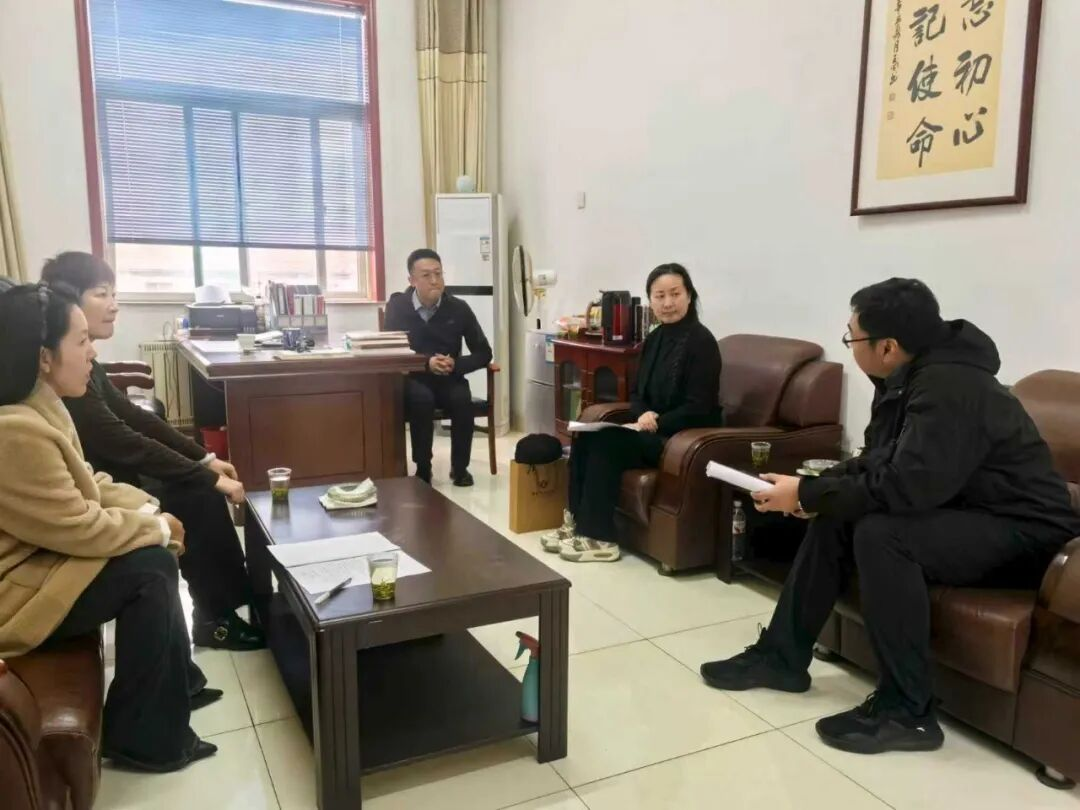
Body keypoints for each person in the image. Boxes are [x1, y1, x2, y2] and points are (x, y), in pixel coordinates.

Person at [700, 278, 1080, 755]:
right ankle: (781, 658)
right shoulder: (908, 378)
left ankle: (908, 712)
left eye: (852, 336)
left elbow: (907, 486)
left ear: (887, 347)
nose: (850, 344)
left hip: (1030, 534)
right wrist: (810, 491)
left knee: (882, 534)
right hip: (970, 512)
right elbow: (880, 460)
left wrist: (813, 492)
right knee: (838, 516)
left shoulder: (950, 386)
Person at [0, 283, 219, 771]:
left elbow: (87, 485)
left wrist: (149, 510)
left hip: (41, 560)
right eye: (81, 342)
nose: (93, 353)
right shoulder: (15, 430)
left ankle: (170, 695)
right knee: (149, 568)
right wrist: (157, 528)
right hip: (15, 595)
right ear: (43, 357)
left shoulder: (40, 406)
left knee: (152, 556)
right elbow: (80, 526)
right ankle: (144, 736)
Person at [41, 252, 263, 651]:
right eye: (101, 294)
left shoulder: (85, 358)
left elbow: (132, 416)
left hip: (108, 472)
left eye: (114, 293)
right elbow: (120, 439)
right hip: (99, 485)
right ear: (68, 300)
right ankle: (216, 619)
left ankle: (231, 606)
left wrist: (204, 458)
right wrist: (204, 474)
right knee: (198, 495)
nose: (114, 305)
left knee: (198, 486)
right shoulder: (60, 369)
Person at [543, 263, 723, 563]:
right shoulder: (654, 339)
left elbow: (700, 406)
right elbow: (637, 392)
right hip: (648, 429)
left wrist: (656, 421)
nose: (668, 303)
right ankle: (574, 523)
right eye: (660, 296)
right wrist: (642, 415)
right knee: (586, 437)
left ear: (689, 296)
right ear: (651, 300)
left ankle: (600, 538)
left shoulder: (702, 343)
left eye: (675, 294)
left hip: (679, 437)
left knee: (608, 443)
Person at [384, 248, 493, 487]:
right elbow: (390, 351)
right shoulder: (398, 307)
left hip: (449, 376)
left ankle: (460, 468)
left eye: (438, 273)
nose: (434, 280)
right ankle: (423, 468)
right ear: (412, 280)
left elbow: (484, 352)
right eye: (426, 275)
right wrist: (426, 363)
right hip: (414, 377)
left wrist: (457, 364)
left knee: (461, 399)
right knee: (421, 400)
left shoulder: (459, 308)